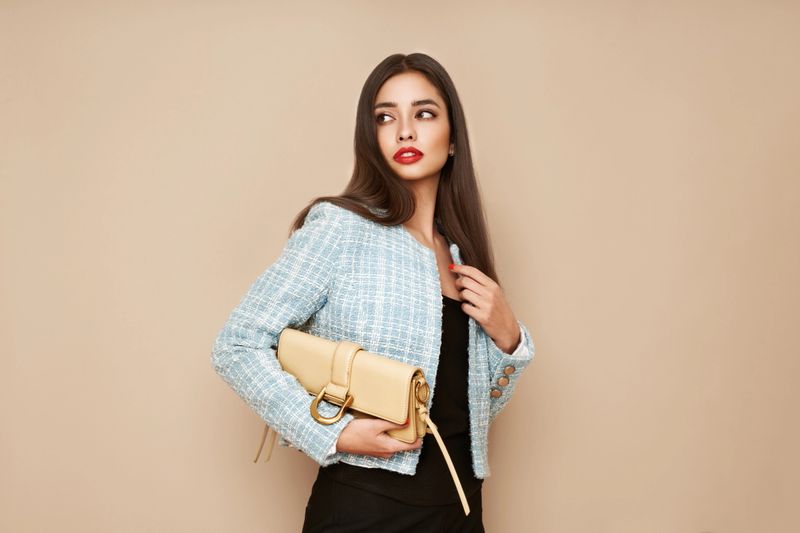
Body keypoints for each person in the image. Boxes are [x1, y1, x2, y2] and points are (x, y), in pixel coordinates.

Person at [211, 52, 535, 532]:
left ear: (452, 142)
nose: (404, 130)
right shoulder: (341, 229)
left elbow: (465, 413)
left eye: (423, 113)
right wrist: (336, 433)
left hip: (461, 510)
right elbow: (237, 344)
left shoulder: (461, 258)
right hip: (366, 509)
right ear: (373, 139)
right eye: (386, 117)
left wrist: (510, 340)